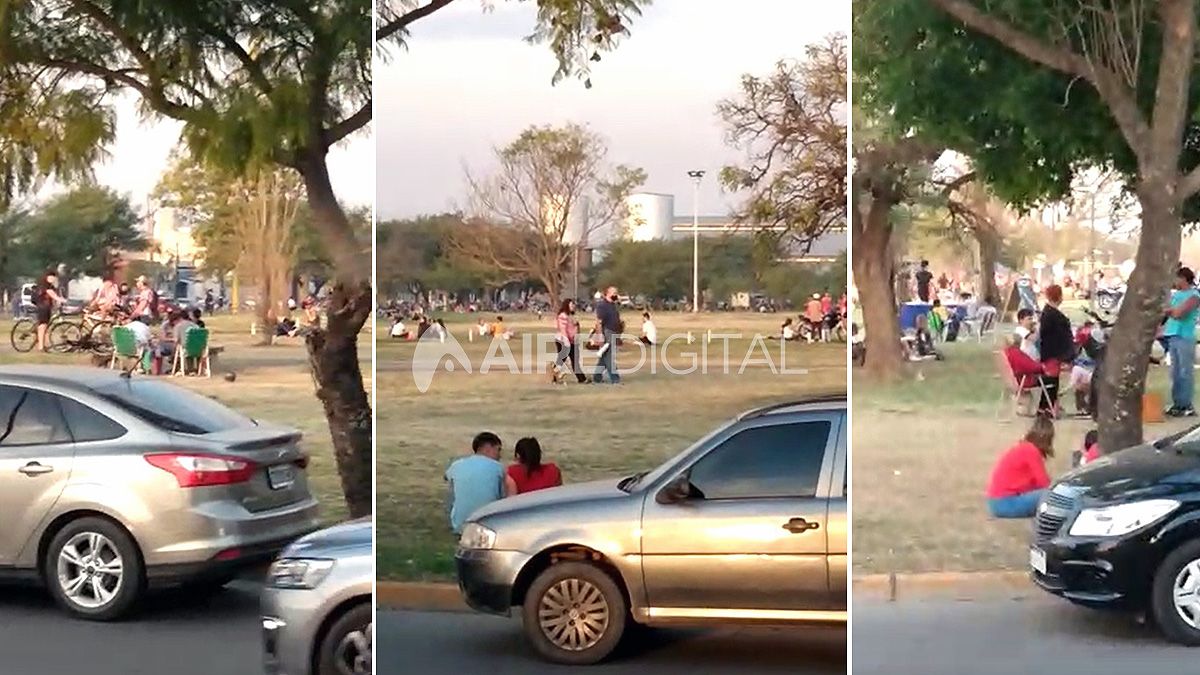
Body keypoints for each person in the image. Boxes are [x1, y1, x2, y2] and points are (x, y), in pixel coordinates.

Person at [986, 415, 1054, 518]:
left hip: (995, 502)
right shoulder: (1031, 451)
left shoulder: (1023, 447)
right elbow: (1044, 483)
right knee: (1052, 495)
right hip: (1005, 502)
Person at [445, 432, 506, 534]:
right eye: (498, 450)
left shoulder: (457, 465)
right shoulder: (498, 467)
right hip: (489, 527)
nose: (500, 455)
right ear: (488, 447)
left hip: (460, 526)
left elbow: (446, 477)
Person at [1164, 266, 1200, 417]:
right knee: (1175, 373)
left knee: (1185, 372)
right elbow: (1167, 311)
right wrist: (1170, 311)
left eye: (1177, 278)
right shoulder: (1176, 295)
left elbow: (1179, 313)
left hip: (1185, 337)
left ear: (1184, 279)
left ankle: (1186, 405)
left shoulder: (1194, 295)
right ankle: (1177, 404)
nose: (1175, 281)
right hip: (1172, 335)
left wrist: (1170, 311)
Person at [1039, 285, 1074, 416]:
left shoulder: (1048, 313)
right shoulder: (1052, 315)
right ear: (1059, 296)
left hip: (1053, 352)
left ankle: (1049, 405)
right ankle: (1046, 407)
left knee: (1053, 380)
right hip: (1052, 353)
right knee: (1051, 380)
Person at [593, 286, 623, 384]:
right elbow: (599, 322)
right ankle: (615, 379)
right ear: (608, 293)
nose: (616, 295)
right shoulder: (602, 305)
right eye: (614, 293)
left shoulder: (613, 305)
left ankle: (597, 377)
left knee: (604, 356)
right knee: (609, 356)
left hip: (614, 332)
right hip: (607, 332)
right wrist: (600, 334)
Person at [553, 298, 587, 383]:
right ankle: (553, 375)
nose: (573, 306)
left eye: (573, 305)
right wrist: (566, 341)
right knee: (562, 360)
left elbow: (576, 329)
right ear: (567, 306)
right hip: (563, 341)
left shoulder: (572, 316)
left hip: (572, 341)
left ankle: (582, 379)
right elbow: (563, 329)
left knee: (574, 360)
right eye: (571, 305)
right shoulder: (562, 316)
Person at [33, 270, 64, 352]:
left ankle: (41, 344)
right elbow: (53, 296)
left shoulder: (50, 286)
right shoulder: (46, 286)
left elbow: (54, 296)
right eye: (51, 276)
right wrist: (64, 301)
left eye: (54, 277)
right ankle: (41, 347)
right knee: (43, 327)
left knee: (44, 327)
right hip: (43, 307)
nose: (53, 278)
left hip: (46, 307)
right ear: (47, 277)